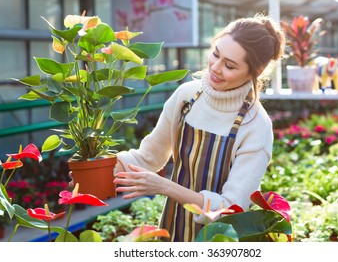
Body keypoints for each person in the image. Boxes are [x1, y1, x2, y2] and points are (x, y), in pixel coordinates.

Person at [113, 14, 286, 242]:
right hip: (172, 229)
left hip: (219, 240)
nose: (215, 67)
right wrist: (99, 169)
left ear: (254, 72)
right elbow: (149, 157)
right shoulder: (187, 96)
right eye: (215, 53)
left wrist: (165, 187)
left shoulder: (255, 126)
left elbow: (229, 209)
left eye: (229, 65)